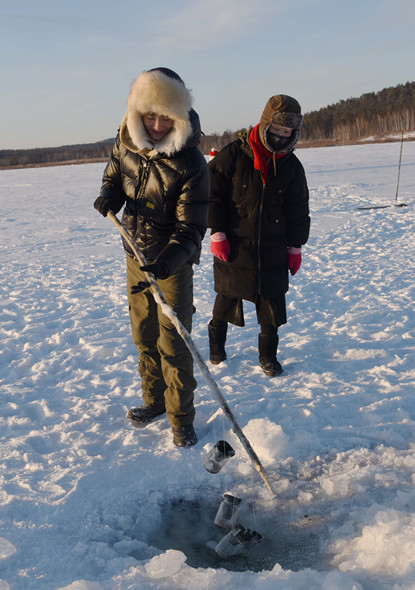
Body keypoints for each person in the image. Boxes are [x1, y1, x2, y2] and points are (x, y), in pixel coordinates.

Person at [94, 68, 209, 447]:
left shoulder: (191, 163)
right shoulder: (127, 139)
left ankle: (181, 419)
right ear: (139, 111)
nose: (157, 125)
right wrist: (109, 194)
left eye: (166, 116)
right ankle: (155, 401)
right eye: (150, 114)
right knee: (143, 334)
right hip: (134, 252)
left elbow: (191, 230)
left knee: (174, 342)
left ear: (178, 116)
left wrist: (167, 262)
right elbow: (114, 175)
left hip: (171, 263)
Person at [207, 94, 310, 377]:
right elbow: (210, 194)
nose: (280, 137)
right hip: (235, 244)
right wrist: (217, 232)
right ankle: (216, 350)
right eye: (275, 130)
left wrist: (295, 246)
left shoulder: (292, 166)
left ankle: (268, 357)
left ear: (294, 133)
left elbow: (298, 209)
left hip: (273, 248)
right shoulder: (234, 154)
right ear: (265, 125)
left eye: (286, 132)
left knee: (272, 307)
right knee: (226, 299)